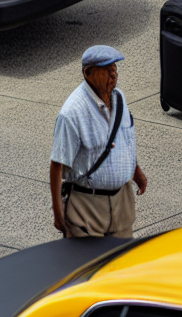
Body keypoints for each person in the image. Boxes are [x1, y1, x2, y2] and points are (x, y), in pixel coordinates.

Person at [49, 45, 147, 238]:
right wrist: (58, 212)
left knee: (121, 263)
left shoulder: (119, 99)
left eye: (115, 68)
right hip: (86, 206)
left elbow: (124, 140)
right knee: (88, 265)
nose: (113, 75)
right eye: (106, 70)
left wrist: (136, 172)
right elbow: (56, 165)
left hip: (122, 201)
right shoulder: (72, 113)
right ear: (88, 73)